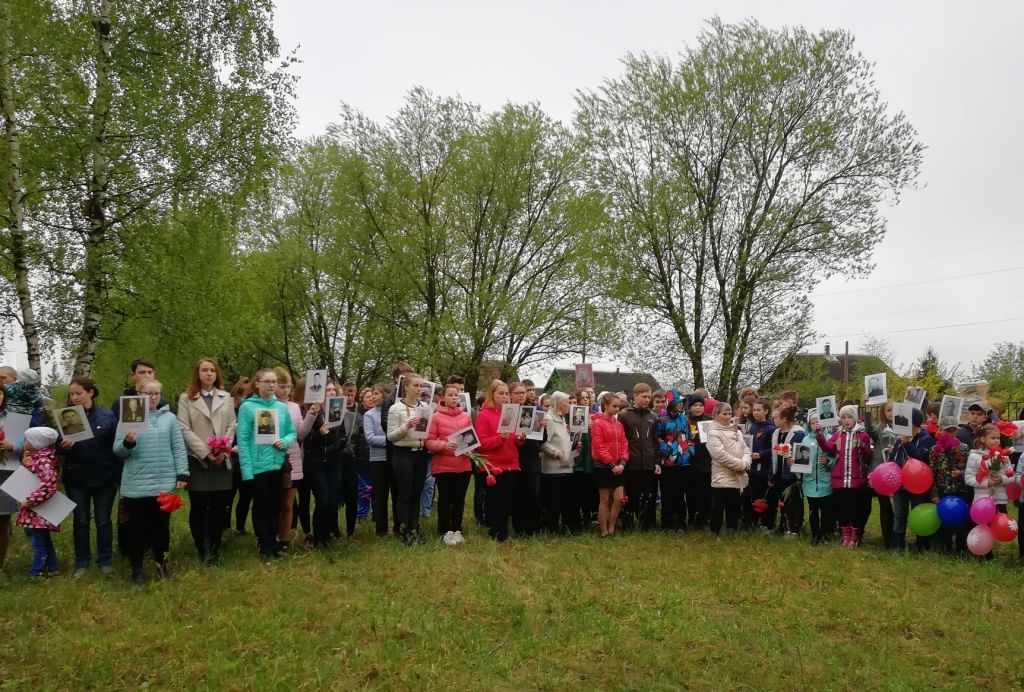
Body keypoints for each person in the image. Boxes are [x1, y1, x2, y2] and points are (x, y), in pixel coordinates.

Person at [113, 379, 188, 584]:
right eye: (147, 394)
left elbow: (178, 447)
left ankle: (161, 566)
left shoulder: (170, 419)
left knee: (161, 529)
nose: (152, 398)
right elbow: (118, 451)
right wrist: (128, 442)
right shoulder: (128, 418)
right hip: (137, 484)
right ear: (138, 395)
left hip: (164, 483)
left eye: (156, 394)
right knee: (137, 529)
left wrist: (182, 473)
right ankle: (136, 570)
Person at [177, 358, 236, 566]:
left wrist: (222, 449)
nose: (209, 373)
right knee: (199, 507)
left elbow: (231, 425)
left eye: (212, 370)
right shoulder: (187, 398)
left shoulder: (226, 397)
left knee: (220, 508)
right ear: (198, 373)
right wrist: (205, 452)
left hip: (221, 460)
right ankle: (202, 548)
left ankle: (215, 549)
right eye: (204, 370)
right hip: (198, 460)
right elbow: (184, 428)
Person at [60, 377, 119, 578]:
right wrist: (63, 446)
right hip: (76, 478)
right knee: (81, 520)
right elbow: (55, 447)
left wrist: (117, 475)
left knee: (103, 520)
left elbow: (116, 447)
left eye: (78, 393)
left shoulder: (108, 416)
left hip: (105, 478)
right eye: (71, 394)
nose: (74, 397)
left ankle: (105, 560)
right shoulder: (66, 417)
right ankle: (81, 562)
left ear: (90, 392)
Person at [237, 369, 296, 561]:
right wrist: (246, 470)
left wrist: (284, 442)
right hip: (257, 465)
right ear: (257, 384)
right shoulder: (247, 407)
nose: (272, 385)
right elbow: (243, 439)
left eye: (274, 382)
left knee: (274, 506)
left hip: (276, 463)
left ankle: (273, 541)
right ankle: (264, 544)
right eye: (267, 381)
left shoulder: (281, 407)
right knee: (261, 506)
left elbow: (291, 432)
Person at [814, 404, 872, 549]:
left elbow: (868, 458)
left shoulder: (862, 434)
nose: (846, 420)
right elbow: (828, 448)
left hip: (856, 479)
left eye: (849, 417)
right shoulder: (838, 434)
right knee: (841, 508)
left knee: (855, 509)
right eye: (844, 417)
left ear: (855, 419)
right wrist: (819, 436)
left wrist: (862, 446)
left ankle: (855, 536)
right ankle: (845, 534)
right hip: (839, 479)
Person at [425, 383, 473, 544]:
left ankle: (457, 529)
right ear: (442, 397)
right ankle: (445, 529)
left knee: (459, 499)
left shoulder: (466, 417)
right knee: (445, 499)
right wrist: (444, 445)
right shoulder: (436, 417)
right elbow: (429, 442)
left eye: (456, 395)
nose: (454, 398)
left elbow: (471, 439)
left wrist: (470, 450)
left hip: (463, 465)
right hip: (443, 466)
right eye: (450, 395)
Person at [387, 372, 432, 546]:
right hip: (403, 454)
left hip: (420, 453)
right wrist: (407, 426)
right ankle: (404, 529)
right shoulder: (396, 408)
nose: (419, 389)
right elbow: (391, 437)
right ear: (406, 387)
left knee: (417, 493)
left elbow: (427, 432)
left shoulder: (425, 407)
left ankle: (414, 527)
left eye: (421, 386)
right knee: (405, 493)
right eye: (416, 385)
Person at [475, 379, 523, 542]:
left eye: (506, 394)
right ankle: (494, 530)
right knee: (494, 500)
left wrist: (520, 438)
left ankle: (503, 531)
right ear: (492, 394)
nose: (504, 397)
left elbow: (515, 441)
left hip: (512, 463)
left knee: (507, 500)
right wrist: (499, 439)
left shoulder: (511, 414)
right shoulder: (483, 415)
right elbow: (481, 443)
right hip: (492, 465)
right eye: (500, 393)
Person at [300, 381, 343, 548]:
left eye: (333, 389)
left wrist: (332, 447)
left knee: (332, 500)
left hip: (334, 460)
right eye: (328, 389)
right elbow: (305, 438)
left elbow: (344, 436)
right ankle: (318, 538)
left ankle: (327, 534)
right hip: (315, 462)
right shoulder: (312, 411)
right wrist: (319, 434)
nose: (331, 392)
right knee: (322, 499)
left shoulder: (338, 409)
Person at [887, 407, 935, 553]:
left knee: (918, 513)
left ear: (914, 423)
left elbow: (921, 458)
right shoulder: (899, 439)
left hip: (917, 485)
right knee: (900, 515)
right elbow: (893, 458)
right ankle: (898, 546)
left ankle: (922, 544)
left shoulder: (926, 439)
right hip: (900, 485)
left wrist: (908, 444)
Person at [16, 427, 62, 577]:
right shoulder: (37, 458)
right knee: (43, 538)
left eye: (27, 440)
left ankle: (37, 572)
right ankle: (52, 567)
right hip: (35, 512)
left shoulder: (44, 462)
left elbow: (49, 486)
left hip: (38, 511)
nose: (24, 442)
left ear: (37, 443)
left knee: (38, 543)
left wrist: (30, 501)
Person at [965, 424, 1012, 560]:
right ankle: (983, 553)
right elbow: (969, 478)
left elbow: (1011, 476)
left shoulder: (1004, 456)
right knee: (983, 527)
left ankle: (990, 551)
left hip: (999, 498)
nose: (997, 441)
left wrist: (1002, 479)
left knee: (996, 526)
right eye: (993, 438)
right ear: (982, 439)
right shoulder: (975, 456)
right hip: (982, 502)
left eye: (998, 438)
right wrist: (987, 482)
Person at [618, 383, 659, 532]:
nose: (647, 399)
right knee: (632, 495)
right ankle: (628, 524)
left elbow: (655, 441)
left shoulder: (653, 416)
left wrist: (656, 461)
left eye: (649, 397)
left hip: (648, 463)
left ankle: (646, 524)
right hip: (632, 463)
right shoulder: (624, 416)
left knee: (648, 495)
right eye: (644, 397)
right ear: (635, 396)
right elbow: (621, 440)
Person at [706, 402, 751, 538]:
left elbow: (746, 449)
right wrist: (739, 465)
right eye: (724, 413)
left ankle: (732, 529)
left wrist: (746, 462)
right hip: (722, 474)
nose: (727, 416)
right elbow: (719, 454)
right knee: (718, 506)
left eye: (729, 413)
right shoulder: (713, 432)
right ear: (716, 415)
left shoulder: (736, 431)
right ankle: (715, 531)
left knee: (734, 504)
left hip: (738, 475)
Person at [928, 421, 971, 555]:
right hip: (943, 490)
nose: (949, 433)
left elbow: (969, 470)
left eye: (952, 430)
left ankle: (960, 549)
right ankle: (945, 548)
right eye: (947, 430)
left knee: (961, 522)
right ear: (941, 430)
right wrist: (934, 493)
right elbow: (931, 473)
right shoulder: (935, 449)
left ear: (957, 431)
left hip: (960, 490)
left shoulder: (963, 448)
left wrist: (961, 474)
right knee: (944, 522)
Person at [590, 392, 629, 537]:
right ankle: (603, 530)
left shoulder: (619, 424)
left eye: (619, 406)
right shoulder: (598, 423)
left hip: (618, 465)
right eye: (614, 406)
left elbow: (624, 443)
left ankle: (612, 527)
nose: (617, 409)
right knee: (605, 499)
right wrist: (612, 465)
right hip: (604, 466)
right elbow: (599, 446)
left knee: (619, 499)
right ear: (605, 405)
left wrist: (623, 462)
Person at [275, 368, 305, 551]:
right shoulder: (265, 406)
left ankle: (284, 539)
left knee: (288, 503)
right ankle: (268, 536)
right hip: (270, 458)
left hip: (292, 457)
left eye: (288, 386)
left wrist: (311, 415)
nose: (285, 390)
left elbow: (300, 433)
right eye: (282, 386)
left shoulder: (294, 407)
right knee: (272, 502)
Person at [540, 392, 577, 535]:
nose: (569, 405)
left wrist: (573, 446)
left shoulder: (562, 419)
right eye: (567, 402)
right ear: (558, 403)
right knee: (553, 501)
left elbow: (561, 440)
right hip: (553, 469)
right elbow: (543, 443)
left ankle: (565, 527)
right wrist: (556, 453)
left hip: (566, 467)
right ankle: (551, 529)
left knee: (566, 500)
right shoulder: (548, 418)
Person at [364, 383, 398, 537]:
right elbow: (370, 438)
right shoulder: (369, 415)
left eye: (376, 393)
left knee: (396, 493)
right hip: (377, 460)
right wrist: (391, 439)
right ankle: (381, 529)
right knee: (380, 495)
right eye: (372, 394)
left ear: (385, 395)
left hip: (394, 458)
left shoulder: (393, 412)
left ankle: (399, 526)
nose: (373, 397)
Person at [656, 390, 692, 533]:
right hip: (668, 463)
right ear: (671, 403)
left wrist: (689, 449)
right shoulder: (662, 420)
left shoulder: (685, 419)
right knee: (667, 494)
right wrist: (666, 449)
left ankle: (681, 523)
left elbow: (689, 436)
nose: (681, 405)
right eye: (678, 402)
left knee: (680, 494)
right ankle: (667, 523)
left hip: (683, 462)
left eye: (682, 403)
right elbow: (657, 438)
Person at [767, 405, 805, 537]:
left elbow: (800, 454)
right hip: (779, 472)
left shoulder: (798, 433)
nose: (773, 421)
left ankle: (794, 528)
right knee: (782, 500)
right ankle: (783, 525)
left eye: (775, 418)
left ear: (784, 419)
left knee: (793, 501)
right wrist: (771, 474)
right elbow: (774, 455)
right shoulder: (776, 433)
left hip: (791, 474)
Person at [864, 400, 898, 549]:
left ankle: (898, 538)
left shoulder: (903, 429)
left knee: (897, 507)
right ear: (883, 413)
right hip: (881, 473)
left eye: (894, 410)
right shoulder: (880, 429)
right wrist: (868, 408)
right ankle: (887, 540)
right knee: (885, 508)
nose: (891, 413)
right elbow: (869, 427)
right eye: (888, 410)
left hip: (897, 472)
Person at [0, 387, 27, 570]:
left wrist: (11, 445)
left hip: (7, 472)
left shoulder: (14, 418)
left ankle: (0, 566)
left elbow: (24, 444)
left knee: (2, 520)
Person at [510, 382, 542, 537]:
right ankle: (519, 527)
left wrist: (543, 427)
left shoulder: (534, 411)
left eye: (524, 392)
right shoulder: (508, 411)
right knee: (517, 494)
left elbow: (541, 440)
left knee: (533, 494)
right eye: (518, 393)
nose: (522, 395)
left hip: (532, 458)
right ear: (511, 395)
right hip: (514, 457)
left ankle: (532, 527)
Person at [801, 409, 834, 545]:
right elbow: (800, 457)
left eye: (818, 422)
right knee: (813, 511)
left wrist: (828, 462)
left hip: (825, 481)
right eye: (813, 422)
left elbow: (835, 458)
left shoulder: (830, 438)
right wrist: (796, 462)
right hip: (809, 482)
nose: (816, 425)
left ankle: (825, 533)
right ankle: (815, 535)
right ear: (809, 425)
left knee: (826, 511)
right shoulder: (806, 439)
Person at [744, 398, 776, 531]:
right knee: (754, 495)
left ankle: (767, 523)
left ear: (766, 411)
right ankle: (753, 521)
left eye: (759, 410)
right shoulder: (753, 427)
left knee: (765, 496)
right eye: (754, 410)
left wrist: (762, 454)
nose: (756, 413)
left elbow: (774, 448)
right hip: (753, 467)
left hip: (764, 467)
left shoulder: (771, 428)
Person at [228, 377, 253, 535]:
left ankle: (240, 527)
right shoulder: (230, 413)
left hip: (247, 461)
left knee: (245, 497)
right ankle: (224, 525)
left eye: (249, 395)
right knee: (228, 496)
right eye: (242, 394)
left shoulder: (253, 412)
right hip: (230, 460)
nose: (245, 398)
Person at [684, 394, 712, 530]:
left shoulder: (709, 421)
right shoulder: (686, 420)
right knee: (691, 493)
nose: (698, 408)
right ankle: (691, 516)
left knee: (705, 492)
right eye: (695, 405)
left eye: (700, 405)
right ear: (690, 407)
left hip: (706, 462)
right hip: (690, 462)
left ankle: (703, 518)